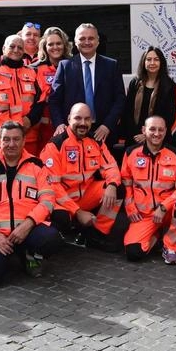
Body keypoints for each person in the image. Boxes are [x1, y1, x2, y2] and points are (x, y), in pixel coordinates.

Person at [0, 120, 63, 286]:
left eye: (16, 139)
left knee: (52, 238)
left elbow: (48, 200)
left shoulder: (37, 166)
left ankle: (30, 254)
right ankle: (3, 258)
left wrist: (27, 225)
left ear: (24, 140)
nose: (11, 144)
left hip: (27, 230)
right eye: (6, 139)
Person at [42, 103, 125, 251]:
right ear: (69, 119)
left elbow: (111, 166)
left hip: (86, 196)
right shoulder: (55, 145)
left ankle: (97, 234)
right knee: (60, 218)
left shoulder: (96, 142)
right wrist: (77, 212)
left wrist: (112, 185)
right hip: (63, 201)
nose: (83, 123)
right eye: (78, 118)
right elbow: (53, 187)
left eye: (87, 119)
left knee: (119, 188)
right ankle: (64, 233)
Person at [122, 115, 176, 264]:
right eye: (152, 129)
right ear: (144, 130)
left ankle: (170, 246)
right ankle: (156, 236)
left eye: (161, 130)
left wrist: (164, 207)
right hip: (144, 216)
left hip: (168, 213)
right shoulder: (131, 153)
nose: (157, 133)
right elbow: (126, 184)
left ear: (166, 131)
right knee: (133, 253)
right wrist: (130, 207)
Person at [50, 23, 125, 144]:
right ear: (75, 41)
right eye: (82, 38)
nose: (87, 42)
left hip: (103, 132)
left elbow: (120, 99)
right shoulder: (65, 66)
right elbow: (54, 100)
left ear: (98, 41)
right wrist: (60, 124)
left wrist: (107, 125)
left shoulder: (111, 65)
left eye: (91, 38)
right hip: (73, 132)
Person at [0, 35, 45, 154]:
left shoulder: (33, 72)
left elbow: (41, 101)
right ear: (4, 48)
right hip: (1, 139)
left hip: (29, 136)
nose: (16, 50)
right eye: (12, 46)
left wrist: (29, 120)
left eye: (20, 48)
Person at [119, 47, 176, 146]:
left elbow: (169, 116)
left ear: (161, 62)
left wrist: (148, 134)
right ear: (144, 62)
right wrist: (136, 134)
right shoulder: (135, 83)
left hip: (158, 137)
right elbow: (127, 112)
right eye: (149, 59)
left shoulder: (169, 85)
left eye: (156, 59)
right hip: (135, 137)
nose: (152, 63)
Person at [30, 27, 70, 150]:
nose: (55, 47)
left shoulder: (73, 66)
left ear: (64, 45)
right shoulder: (34, 69)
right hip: (41, 130)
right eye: (50, 44)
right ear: (44, 47)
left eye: (58, 43)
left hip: (68, 126)